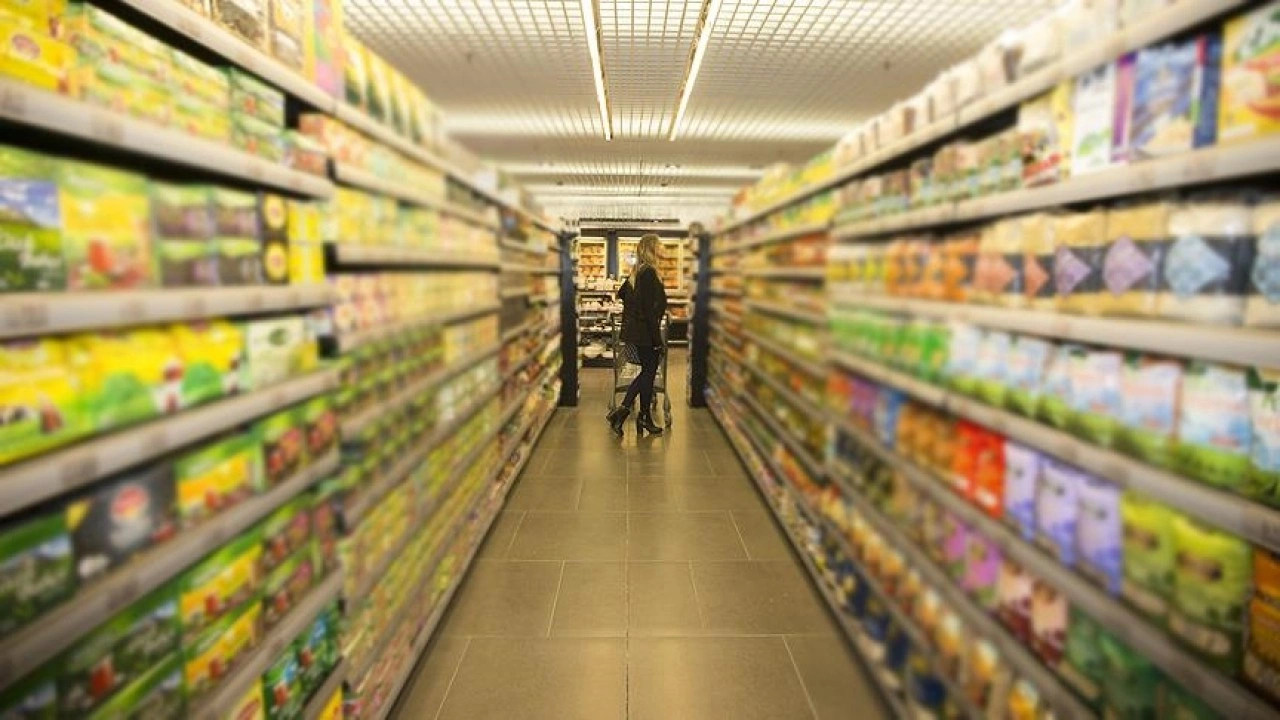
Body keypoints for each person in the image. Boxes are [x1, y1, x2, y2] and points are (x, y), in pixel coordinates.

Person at [607, 234, 667, 436]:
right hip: (646, 333)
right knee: (648, 373)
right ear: (652, 248)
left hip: (639, 332)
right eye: (659, 246)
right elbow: (649, 311)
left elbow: (622, 293)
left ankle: (627, 413)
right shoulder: (648, 272)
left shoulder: (638, 271)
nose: (663, 249)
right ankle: (638, 415)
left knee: (646, 373)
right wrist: (657, 340)